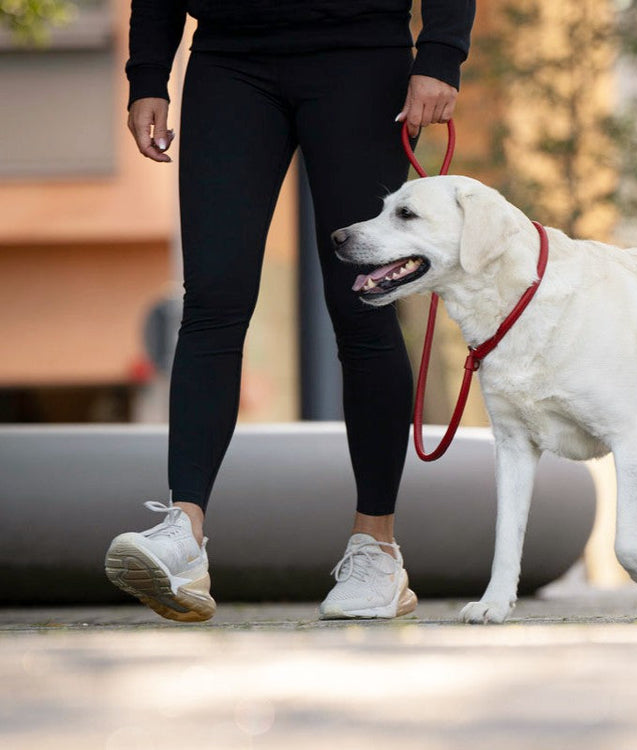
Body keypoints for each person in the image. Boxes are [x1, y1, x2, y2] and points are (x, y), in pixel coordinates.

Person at [104, 0, 476, 622]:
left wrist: (441, 54)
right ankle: (183, 535)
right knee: (212, 303)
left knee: (361, 307)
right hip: (229, 58)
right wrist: (148, 76)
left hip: (363, 57)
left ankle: (376, 550)